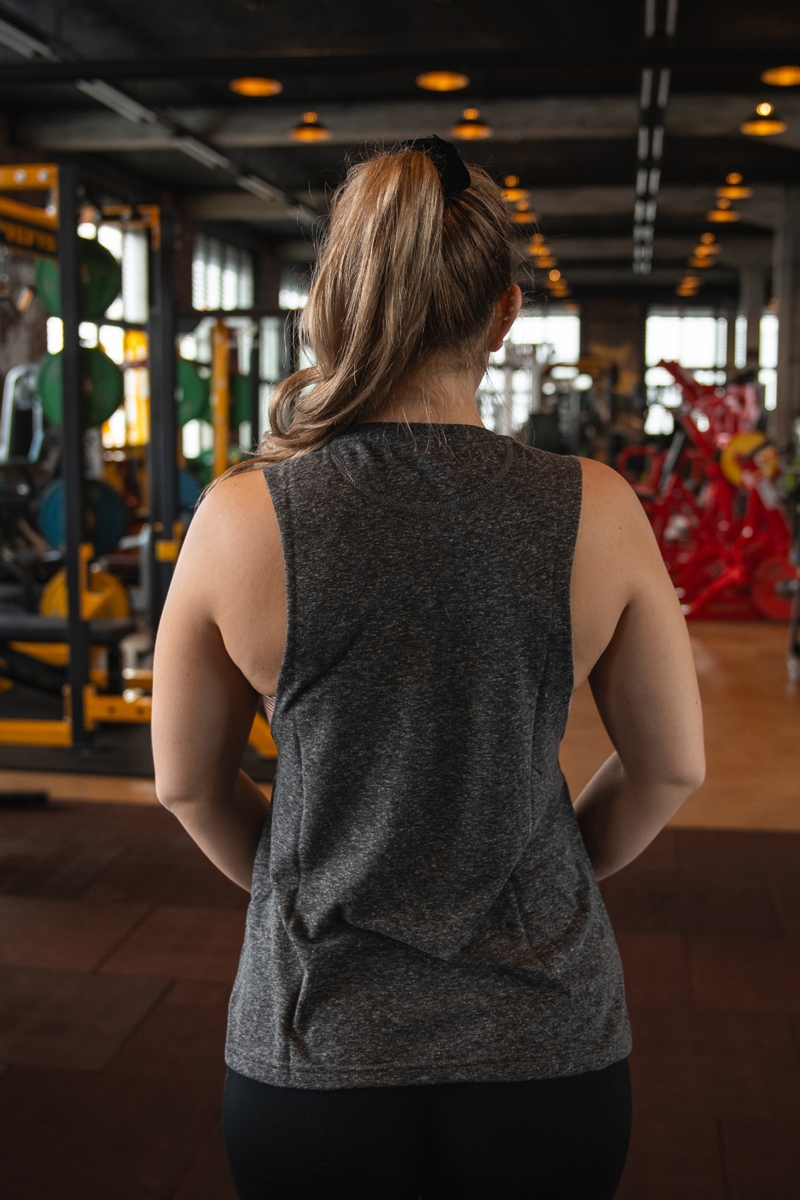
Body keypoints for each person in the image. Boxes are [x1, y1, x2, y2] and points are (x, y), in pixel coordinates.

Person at [152, 136, 705, 1200]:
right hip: (547, 1044)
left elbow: (183, 784)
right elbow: (669, 768)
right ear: (503, 315)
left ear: (335, 302)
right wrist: (544, 875)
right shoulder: (596, 506)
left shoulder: (239, 516)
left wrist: (299, 886)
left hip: (316, 1046)